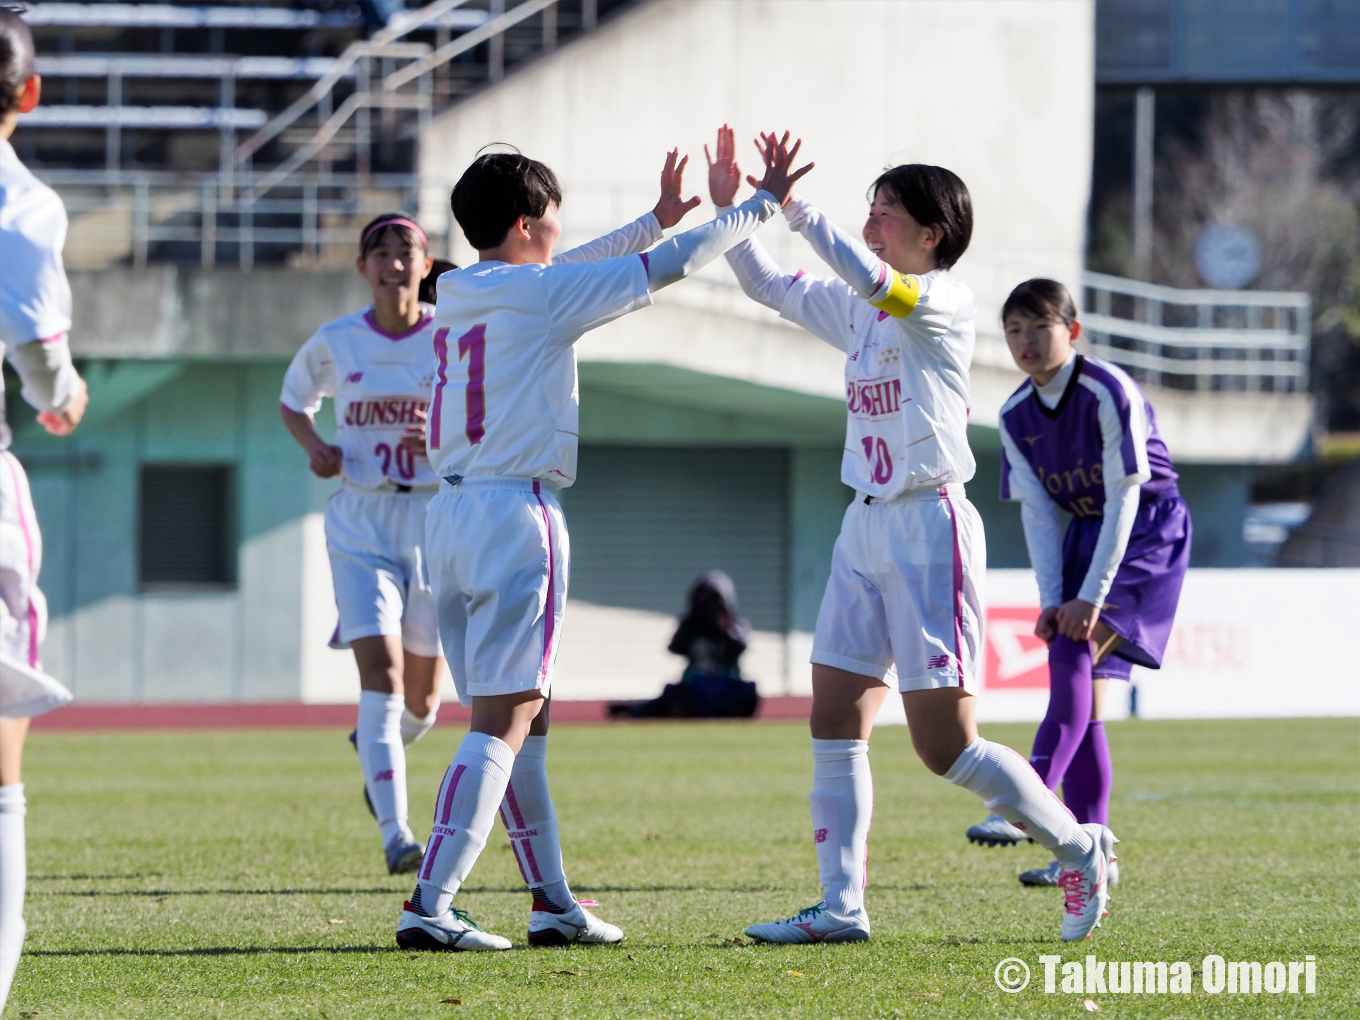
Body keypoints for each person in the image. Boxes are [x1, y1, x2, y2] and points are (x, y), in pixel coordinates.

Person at [396, 138, 811, 952]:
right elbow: (675, 265)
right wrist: (758, 204)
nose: (559, 230)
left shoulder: (463, 289)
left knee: (522, 721)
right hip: (517, 515)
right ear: (525, 225)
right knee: (506, 721)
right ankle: (430, 901)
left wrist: (651, 218)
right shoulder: (540, 293)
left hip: (447, 521)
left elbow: (572, 266)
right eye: (551, 218)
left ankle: (550, 901)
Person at [705, 125, 1116, 945]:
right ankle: (840, 908)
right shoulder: (863, 306)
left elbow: (869, 277)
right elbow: (770, 288)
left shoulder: (942, 301)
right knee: (833, 723)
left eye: (888, 209)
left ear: (933, 235)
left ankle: (1077, 846)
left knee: (946, 749)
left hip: (931, 527)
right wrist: (733, 214)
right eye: (873, 206)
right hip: (863, 527)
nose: (874, 218)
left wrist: (793, 206)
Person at [965, 279, 1190, 889]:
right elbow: (1038, 514)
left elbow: (1125, 495)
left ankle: (1023, 805)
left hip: (1146, 530)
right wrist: (1050, 598)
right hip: (1086, 535)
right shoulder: (1014, 413)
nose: (1025, 341)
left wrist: (1089, 596)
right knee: (1086, 703)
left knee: (1074, 654)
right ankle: (1095, 854)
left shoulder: (1107, 388)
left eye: (1040, 326)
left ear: (1073, 330)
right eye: (1014, 330)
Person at [281, 211, 450, 877]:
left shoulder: (451, 337)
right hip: (361, 520)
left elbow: (483, 413)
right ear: (362, 268)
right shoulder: (336, 341)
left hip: (436, 521)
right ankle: (395, 833)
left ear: (426, 263)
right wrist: (317, 447)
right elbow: (294, 401)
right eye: (377, 252)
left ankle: (378, 750)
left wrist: (438, 438)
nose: (392, 262)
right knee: (377, 675)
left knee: (423, 704)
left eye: (404, 249)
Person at [0, 9, 91, 1009]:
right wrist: (63, 396)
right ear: (29, 94)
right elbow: (41, 365)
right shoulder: (18, 201)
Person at [608, 570, 759, 719]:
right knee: (672, 693)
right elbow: (673, 648)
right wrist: (692, 621)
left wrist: (725, 628)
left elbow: (740, 647)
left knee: (748, 692)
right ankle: (636, 710)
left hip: (725, 686)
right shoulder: (691, 626)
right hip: (696, 687)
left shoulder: (737, 626)